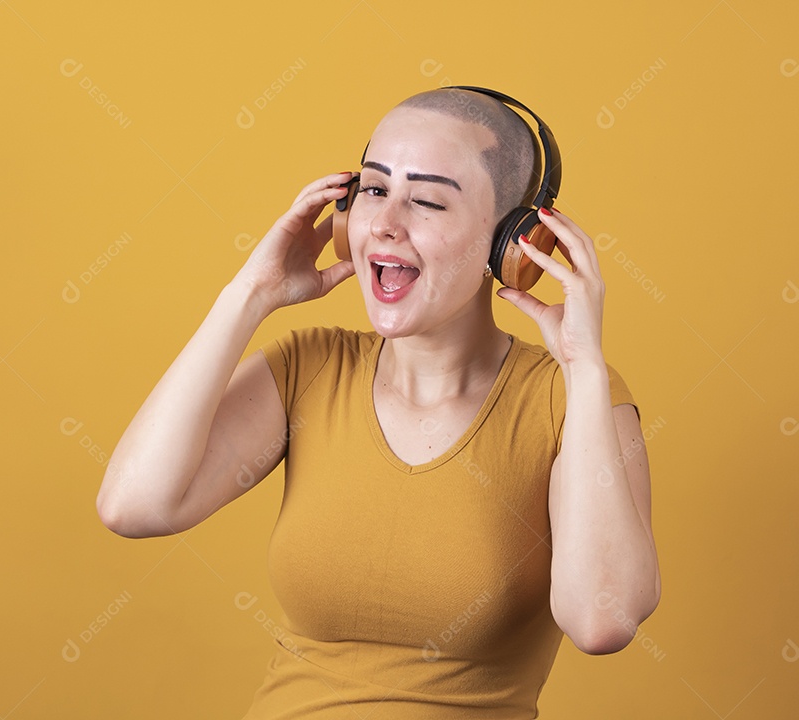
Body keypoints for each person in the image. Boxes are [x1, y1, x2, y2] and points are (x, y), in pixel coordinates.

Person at [96, 86, 661, 719]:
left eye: (426, 200)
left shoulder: (571, 401)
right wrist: (248, 295)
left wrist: (582, 368)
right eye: (371, 190)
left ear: (513, 243)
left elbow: (601, 621)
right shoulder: (309, 368)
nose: (387, 223)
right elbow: (133, 505)